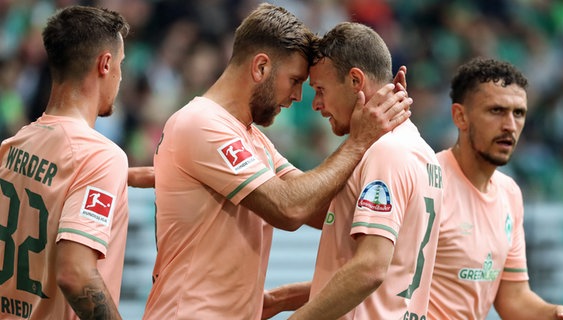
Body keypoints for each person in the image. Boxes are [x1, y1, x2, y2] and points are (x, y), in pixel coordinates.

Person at [142, 3, 413, 320]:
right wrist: (359, 142)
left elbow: (318, 206)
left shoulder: (253, 140)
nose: (299, 97)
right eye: (295, 80)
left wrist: (387, 166)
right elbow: (289, 209)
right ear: (260, 68)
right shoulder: (202, 123)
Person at [262, 22, 443, 320]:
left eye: (320, 90)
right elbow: (392, 273)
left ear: (356, 81)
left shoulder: (385, 152)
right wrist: (282, 299)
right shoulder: (422, 152)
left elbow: (370, 269)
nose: (317, 104)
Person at [0, 5, 130, 319]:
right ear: (105, 63)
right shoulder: (101, 157)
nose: (121, 76)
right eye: (121, 65)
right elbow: (76, 275)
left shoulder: (13, 145)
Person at [428, 57, 563, 320]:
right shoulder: (426, 181)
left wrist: (557, 313)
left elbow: (513, 300)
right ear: (460, 116)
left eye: (519, 113)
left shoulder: (510, 193)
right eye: (496, 111)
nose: (510, 126)